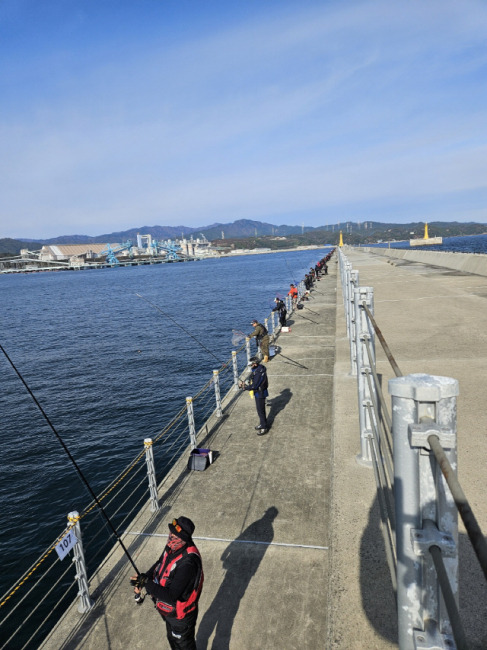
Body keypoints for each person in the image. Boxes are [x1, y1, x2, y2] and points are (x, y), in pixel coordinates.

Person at [132, 516, 204, 650]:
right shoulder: (173, 547)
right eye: (171, 532)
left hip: (181, 618)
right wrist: (144, 578)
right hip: (170, 613)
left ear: (183, 539)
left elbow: (171, 595)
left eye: (174, 535)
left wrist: (147, 582)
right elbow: (160, 563)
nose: (170, 536)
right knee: (172, 640)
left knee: (184, 645)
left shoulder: (188, 564)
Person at [239, 356, 269, 434]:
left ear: (255, 364)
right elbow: (253, 379)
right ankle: (262, 423)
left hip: (260, 393)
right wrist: (246, 383)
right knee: (260, 410)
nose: (250, 365)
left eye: (251, 364)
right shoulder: (259, 368)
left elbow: (254, 386)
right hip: (259, 392)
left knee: (260, 411)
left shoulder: (258, 372)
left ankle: (264, 427)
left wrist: (244, 387)